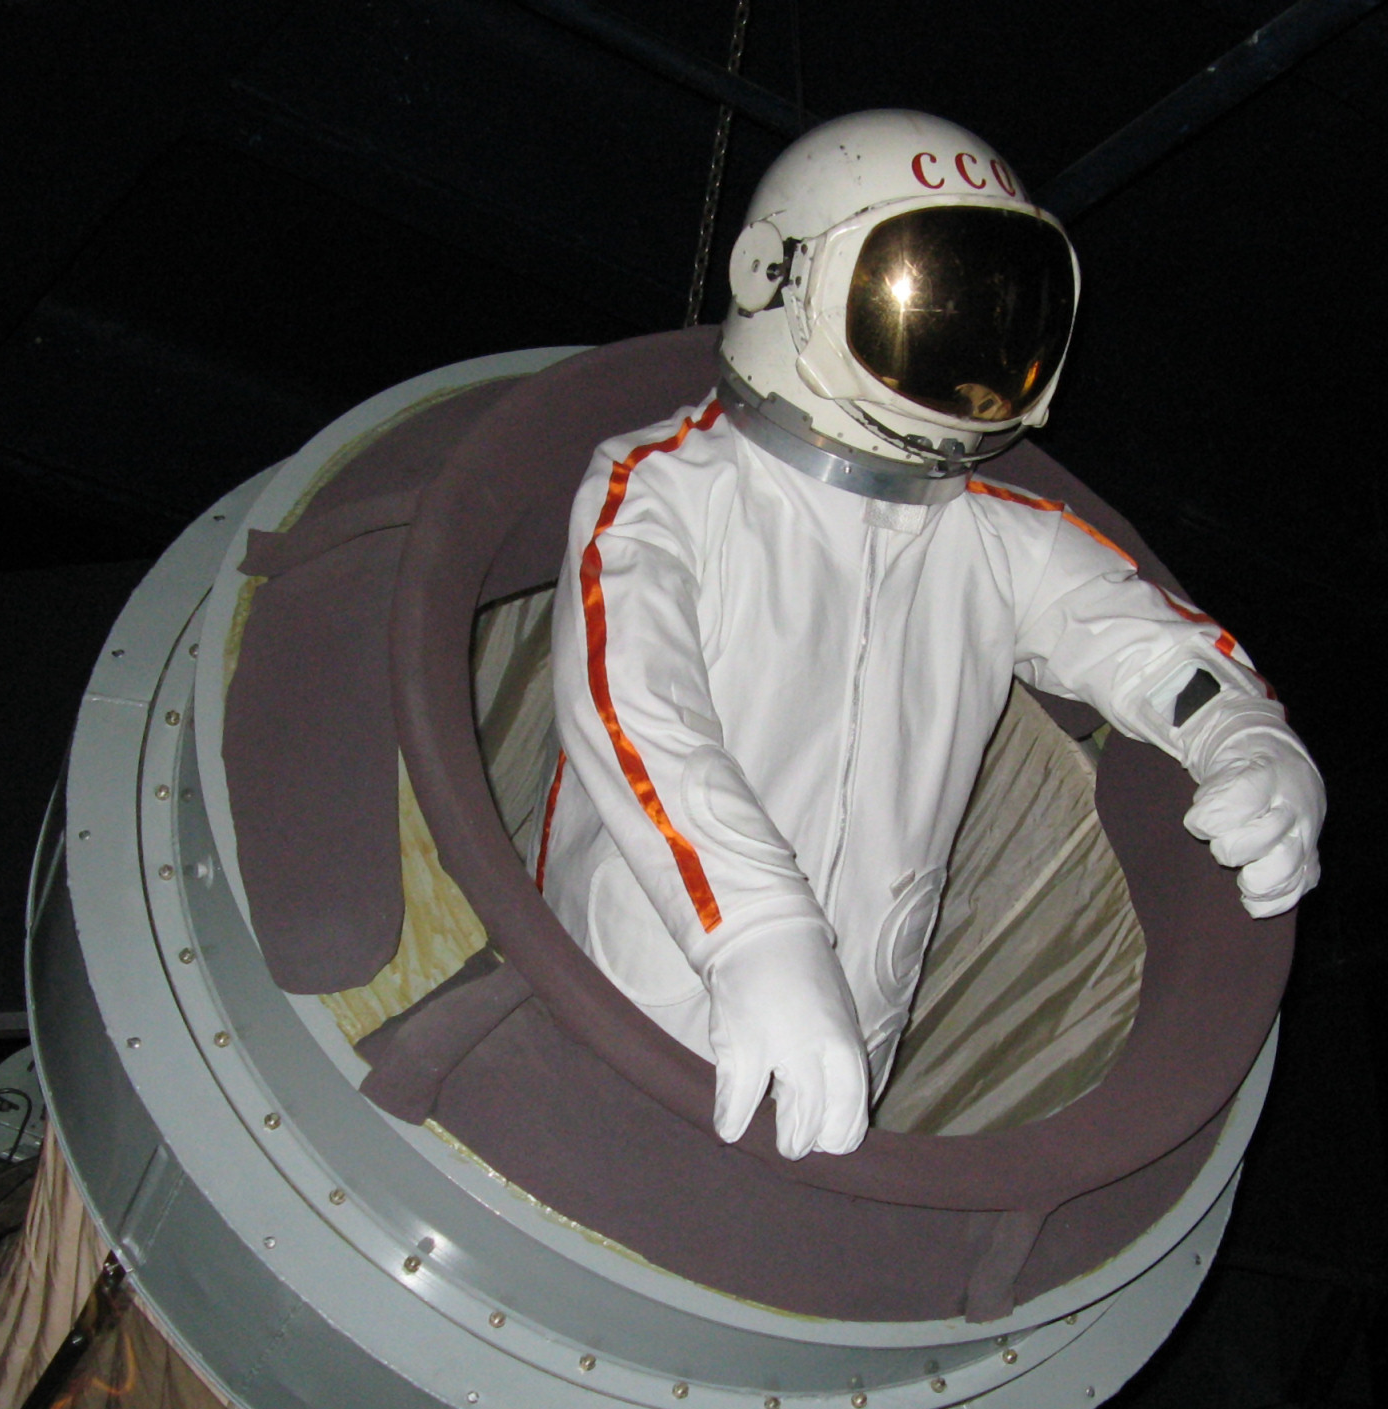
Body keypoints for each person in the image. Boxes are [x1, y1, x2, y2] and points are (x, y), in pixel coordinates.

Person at [531, 110, 1324, 1163]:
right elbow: (637, 713)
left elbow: (1166, 658)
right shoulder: (663, 488)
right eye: (918, 300)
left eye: (996, 319)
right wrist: (756, 933)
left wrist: (1252, 747)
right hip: (612, 1009)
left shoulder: (993, 544)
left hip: (838, 1064)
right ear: (780, 277)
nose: (962, 354)